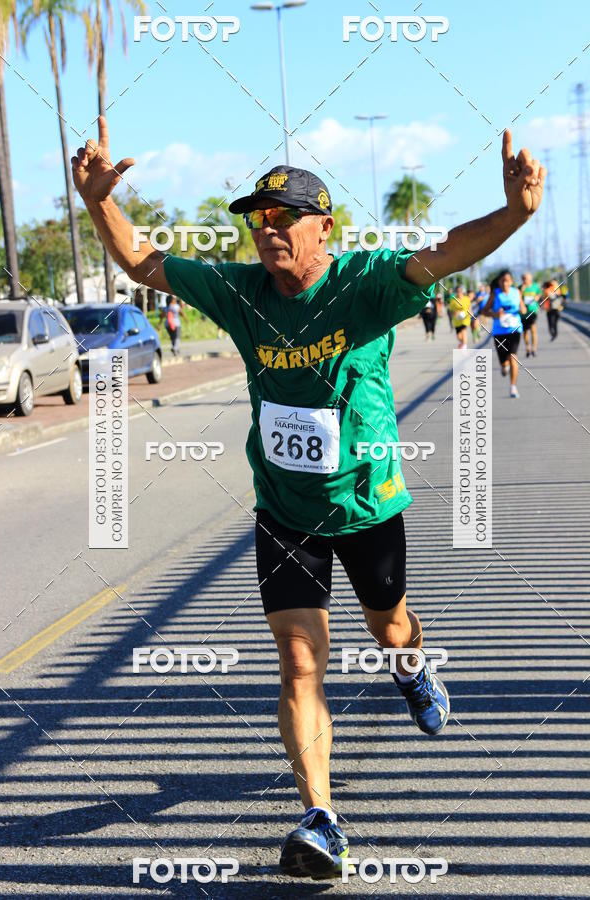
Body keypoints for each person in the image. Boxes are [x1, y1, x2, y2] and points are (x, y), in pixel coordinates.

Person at [72, 117, 545, 882]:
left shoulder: (365, 285)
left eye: (285, 217)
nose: (268, 231)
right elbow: (139, 260)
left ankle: (412, 666)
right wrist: (98, 202)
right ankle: (321, 818)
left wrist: (517, 214)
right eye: (258, 219)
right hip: (285, 512)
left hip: (367, 506)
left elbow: (447, 251)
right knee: (299, 661)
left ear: (324, 226)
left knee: (390, 629)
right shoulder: (238, 291)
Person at [483, 269, 525, 398]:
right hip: (499, 331)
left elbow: (523, 308)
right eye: (502, 281)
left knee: (513, 357)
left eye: (507, 281)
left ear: (511, 281)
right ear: (499, 282)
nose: (505, 284)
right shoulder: (495, 294)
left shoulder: (516, 292)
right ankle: (503, 366)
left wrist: (522, 309)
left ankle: (513, 387)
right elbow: (485, 311)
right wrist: (495, 314)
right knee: (504, 361)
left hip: (514, 329)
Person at [519, 271, 541, 356]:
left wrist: (537, 297)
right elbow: (517, 297)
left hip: (533, 310)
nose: (525, 280)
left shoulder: (535, 286)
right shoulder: (520, 287)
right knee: (525, 332)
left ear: (530, 279)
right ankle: (527, 347)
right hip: (524, 312)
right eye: (524, 279)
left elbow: (539, 293)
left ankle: (534, 348)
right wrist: (521, 290)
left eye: (527, 278)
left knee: (533, 329)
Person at [448, 285, 471, 349]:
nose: (459, 292)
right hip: (457, 320)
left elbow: (469, 308)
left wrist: (467, 313)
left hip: (465, 317)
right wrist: (455, 312)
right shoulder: (453, 300)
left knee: (463, 330)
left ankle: (464, 346)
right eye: (457, 291)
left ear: (462, 291)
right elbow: (451, 309)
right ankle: (462, 343)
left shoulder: (466, 298)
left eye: (460, 291)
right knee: (459, 336)